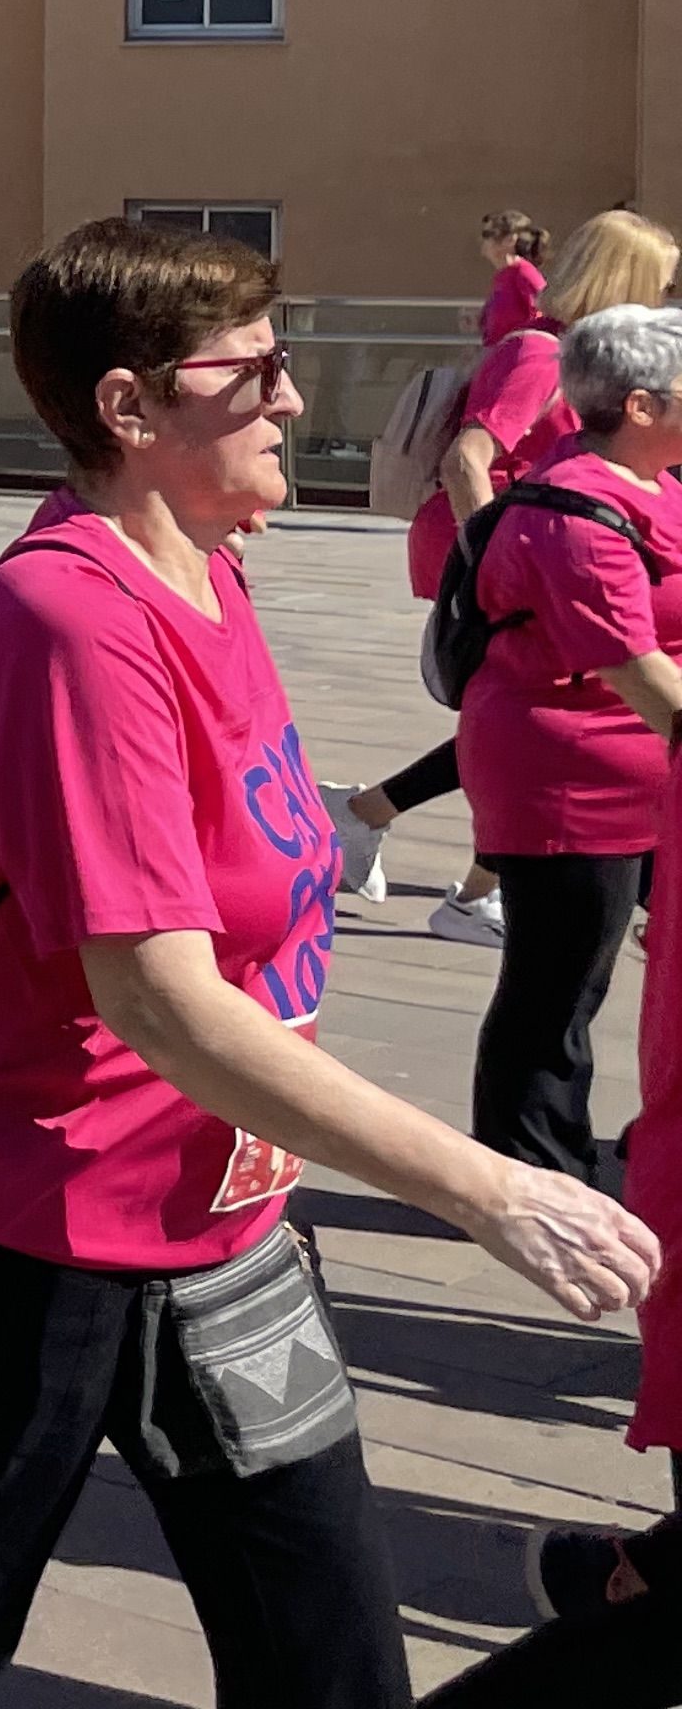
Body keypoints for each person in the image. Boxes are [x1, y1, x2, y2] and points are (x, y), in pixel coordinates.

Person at [0, 217, 660, 1709]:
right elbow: (158, 1000)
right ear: (129, 408)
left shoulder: (214, 574)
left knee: (326, 1654)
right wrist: (488, 1185)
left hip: (226, 1232)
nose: (295, 403)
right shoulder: (70, 619)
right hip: (10, 1238)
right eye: (254, 374)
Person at [325, 208, 682, 947]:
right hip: (529, 566)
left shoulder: (574, 355)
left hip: (548, 560)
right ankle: (440, 869)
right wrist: (492, 563)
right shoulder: (542, 355)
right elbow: (467, 459)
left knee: (527, 721)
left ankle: (393, 833)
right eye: (661, 281)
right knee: (528, 721)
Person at [442, 302, 682, 1186]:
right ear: (644, 406)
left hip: (640, 772)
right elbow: (635, 668)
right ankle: (527, 1162)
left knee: (584, 973)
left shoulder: (652, 484)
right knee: (559, 982)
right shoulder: (577, 510)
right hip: (571, 776)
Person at [485, 209, 555, 347]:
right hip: (500, 352)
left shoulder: (525, 273)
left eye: (489, 234)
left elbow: (543, 314)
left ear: (510, 239)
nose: (484, 240)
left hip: (520, 354)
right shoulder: (503, 275)